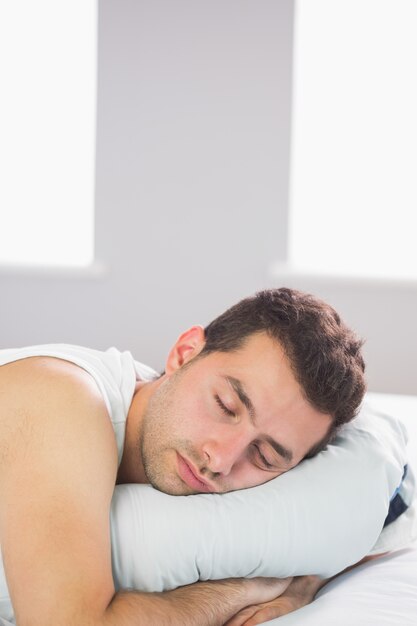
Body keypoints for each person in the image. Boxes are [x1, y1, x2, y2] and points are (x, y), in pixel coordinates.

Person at [0, 288, 375, 625]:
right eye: (225, 406)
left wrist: (307, 579)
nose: (220, 460)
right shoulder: (63, 400)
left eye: (263, 455)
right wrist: (247, 590)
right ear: (184, 353)